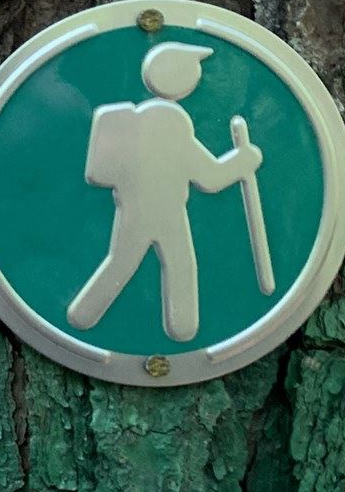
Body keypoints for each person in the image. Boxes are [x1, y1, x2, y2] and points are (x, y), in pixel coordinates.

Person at [66, 42, 263, 342]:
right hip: (167, 210)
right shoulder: (172, 124)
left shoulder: (135, 121)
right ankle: (182, 329)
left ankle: (83, 316)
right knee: (177, 265)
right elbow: (210, 177)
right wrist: (244, 161)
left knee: (125, 263)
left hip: (137, 208)